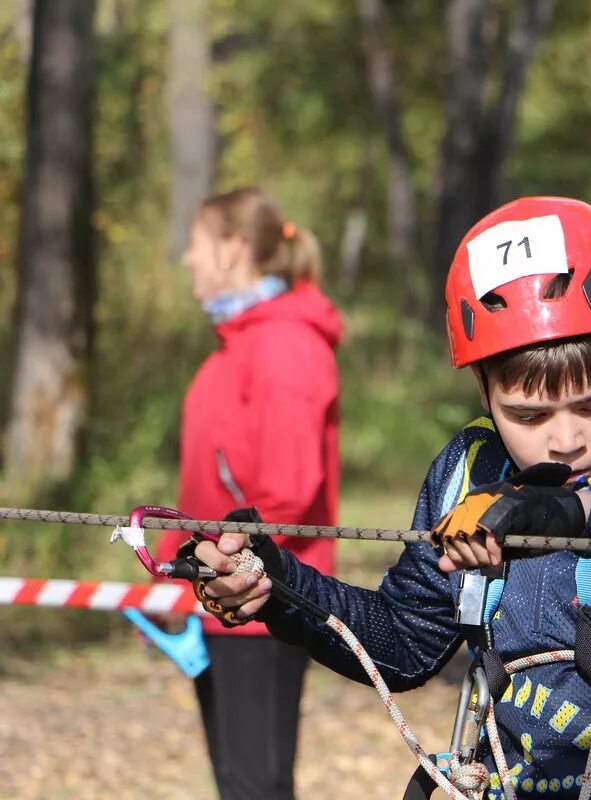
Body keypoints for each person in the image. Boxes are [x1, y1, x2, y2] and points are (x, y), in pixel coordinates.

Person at [184, 196, 591, 799]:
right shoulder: (470, 469)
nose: (565, 441)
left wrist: (573, 514)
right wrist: (278, 586)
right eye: (528, 414)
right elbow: (402, 643)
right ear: (483, 391)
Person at [153, 187, 343, 800]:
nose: (187, 258)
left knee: (257, 788)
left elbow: (287, 491)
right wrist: (172, 569)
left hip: (262, 605)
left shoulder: (285, 343)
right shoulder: (236, 345)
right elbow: (209, 486)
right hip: (219, 599)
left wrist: (227, 567)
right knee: (237, 785)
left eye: (197, 244)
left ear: (233, 250)